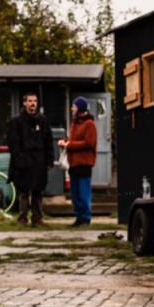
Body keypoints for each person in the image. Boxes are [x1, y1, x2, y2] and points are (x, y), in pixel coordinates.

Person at [6, 92, 53, 226]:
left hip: (39, 161)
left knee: (38, 190)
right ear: (25, 103)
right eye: (30, 101)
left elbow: (48, 141)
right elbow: (13, 142)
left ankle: (37, 218)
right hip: (23, 161)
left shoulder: (43, 120)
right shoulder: (17, 122)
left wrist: (49, 160)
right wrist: (19, 159)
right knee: (24, 190)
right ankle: (22, 217)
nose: (33, 104)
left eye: (35, 101)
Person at [58, 97, 98, 227]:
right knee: (75, 194)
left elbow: (89, 143)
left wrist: (69, 145)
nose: (72, 109)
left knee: (83, 192)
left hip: (84, 163)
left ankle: (86, 218)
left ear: (80, 109)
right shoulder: (75, 123)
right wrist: (65, 141)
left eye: (74, 107)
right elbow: (72, 139)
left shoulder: (89, 124)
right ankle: (78, 217)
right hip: (73, 163)